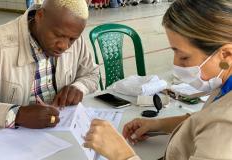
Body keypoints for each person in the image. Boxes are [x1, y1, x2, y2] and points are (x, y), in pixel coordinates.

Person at [84, 1, 232, 160]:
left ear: (225, 55)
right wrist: (158, 125)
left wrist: (121, 154)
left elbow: (215, 125)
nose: (176, 63)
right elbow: (202, 120)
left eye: (184, 56)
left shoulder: (225, 124)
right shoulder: (223, 85)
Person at [0, 0, 99, 129]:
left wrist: (79, 87)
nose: (64, 46)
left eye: (72, 39)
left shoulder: (72, 35)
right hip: (11, 142)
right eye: (58, 35)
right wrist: (18, 115)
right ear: (40, 16)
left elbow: (91, 73)